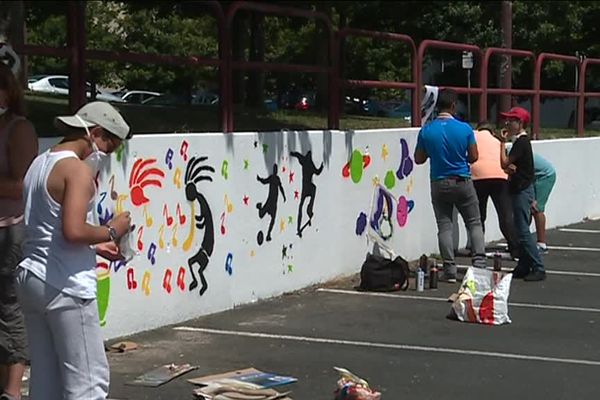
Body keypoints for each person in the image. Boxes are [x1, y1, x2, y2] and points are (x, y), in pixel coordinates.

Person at [16, 101, 133, 400]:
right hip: (65, 285)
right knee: (88, 382)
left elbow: (49, 230)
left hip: (32, 277)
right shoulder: (77, 171)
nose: (107, 155)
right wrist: (112, 230)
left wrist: (96, 246)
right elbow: (74, 230)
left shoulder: (39, 163)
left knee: (46, 378)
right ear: (94, 133)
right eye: (110, 146)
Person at [414, 89, 486, 283]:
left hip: (439, 181)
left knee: (444, 226)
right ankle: (479, 263)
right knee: (474, 222)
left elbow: (418, 159)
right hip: (462, 179)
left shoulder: (427, 130)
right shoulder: (464, 129)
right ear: (453, 106)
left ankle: (450, 269)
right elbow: (474, 156)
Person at [0, 62, 37, 400]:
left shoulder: (18, 129)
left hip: (9, 230)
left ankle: (12, 391)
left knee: (9, 307)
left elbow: (23, 185)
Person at [499, 107, 546, 281]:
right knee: (520, 229)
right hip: (521, 188)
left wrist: (501, 143)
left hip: (521, 190)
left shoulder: (521, 142)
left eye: (511, 120)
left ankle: (538, 266)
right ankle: (524, 265)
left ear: (520, 123)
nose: (507, 123)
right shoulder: (522, 143)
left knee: (522, 231)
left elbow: (504, 162)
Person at [470, 121, 519, 259]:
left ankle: (478, 249)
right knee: (505, 215)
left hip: (477, 176)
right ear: (491, 131)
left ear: (478, 128)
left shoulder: (473, 135)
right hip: (499, 177)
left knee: (479, 216)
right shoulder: (497, 140)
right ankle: (515, 248)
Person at [531, 153, 556, 253]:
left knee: (537, 208)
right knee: (526, 208)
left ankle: (542, 244)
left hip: (545, 176)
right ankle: (520, 240)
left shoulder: (511, 152)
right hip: (535, 177)